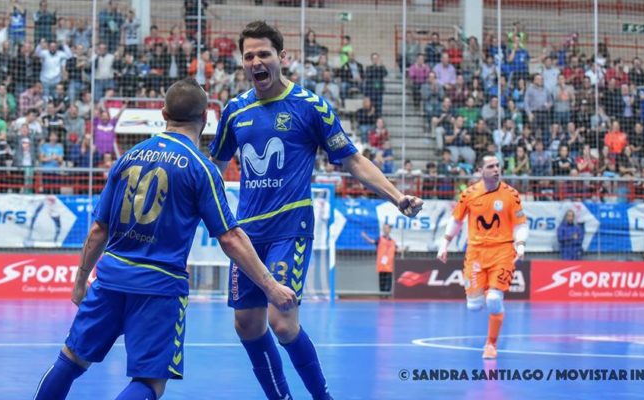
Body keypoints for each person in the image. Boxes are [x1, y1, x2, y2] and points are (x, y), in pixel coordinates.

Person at [33, 78, 296, 400]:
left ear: (163, 113)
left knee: (71, 359)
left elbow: (98, 230)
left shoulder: (128, 157)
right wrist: (270, 285)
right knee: (150, 382)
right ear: (204, 119)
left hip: (111, 278)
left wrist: (79, 281)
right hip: (159, 288)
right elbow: (230, 237)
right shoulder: (201, 168)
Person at [209, 21, 423, 400]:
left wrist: (395, 195)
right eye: (249, 56)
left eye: (264, 54)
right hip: (247, 234)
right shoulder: (234, 111)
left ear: (282, 58)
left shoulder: (310, 106)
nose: (256, 61)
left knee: (283, 322)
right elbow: (213, 167)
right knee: (246, 324)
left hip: (290, 227)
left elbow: (353, 160)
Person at [436, 152, 528, 359]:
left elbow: (520, 223)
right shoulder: (469, 194)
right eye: (491, 166)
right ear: (480, 171)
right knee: (474, 306)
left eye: (498, 165)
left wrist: (520, 245)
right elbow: (456, 220)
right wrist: (444, 243)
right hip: (476, 253)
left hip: (503, 251)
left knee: (494, 300)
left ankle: (491, 345)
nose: (496, 169)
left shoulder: (511, 194)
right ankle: (484, 292)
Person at [361, 223, 400, 297]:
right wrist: (365, 236)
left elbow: (397, 250)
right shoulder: (380, 239)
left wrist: (405, 249)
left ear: (390, 230)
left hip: (389, 267)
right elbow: (372, 241)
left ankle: (387, 298)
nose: (386, 230)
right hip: (381, 266)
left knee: (388, 286)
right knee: (382, 285)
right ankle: (382, 298)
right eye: (384, 228)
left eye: (387, 228)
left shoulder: (393, 242)